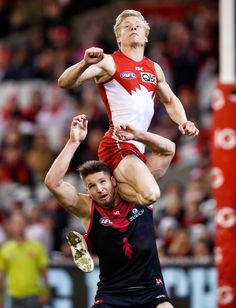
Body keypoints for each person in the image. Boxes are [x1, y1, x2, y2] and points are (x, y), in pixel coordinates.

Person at [57, 9, 199, 205]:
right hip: (117, 144)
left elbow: (170, 100)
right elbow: (64, 82)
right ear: (118, 38)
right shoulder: (109, 62)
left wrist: (183, 121)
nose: (133, 27)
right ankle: (107, 200)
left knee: (167, 152)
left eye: (138, 25)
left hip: (137, 147)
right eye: (127, 26)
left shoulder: (154, 68)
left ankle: (112, 202)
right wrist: (84, 62)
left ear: (146, 36)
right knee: (150, 195)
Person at [45, 114, 174, 308]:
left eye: (102, 181)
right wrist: (73, 142)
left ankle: (85, 242)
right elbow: (53, 183)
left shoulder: (139, 191)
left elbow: (168, 150)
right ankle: (85, 242)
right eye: (92, 186)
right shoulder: (88, 208)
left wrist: (138, 135)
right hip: (113, 294)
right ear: (87, 190)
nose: (99, 189)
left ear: (113, 180)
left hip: (151, 290)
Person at [0, 212, 50, 308]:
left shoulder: (36, 247)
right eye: (16, 223)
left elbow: (44, 272)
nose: (19, 227)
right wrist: (1, 298)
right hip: (12, 295)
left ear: (26, 225)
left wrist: (44, 292)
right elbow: (1, 276)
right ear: (11, 226)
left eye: (22, 223)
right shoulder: (5, 249)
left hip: (33, 294)